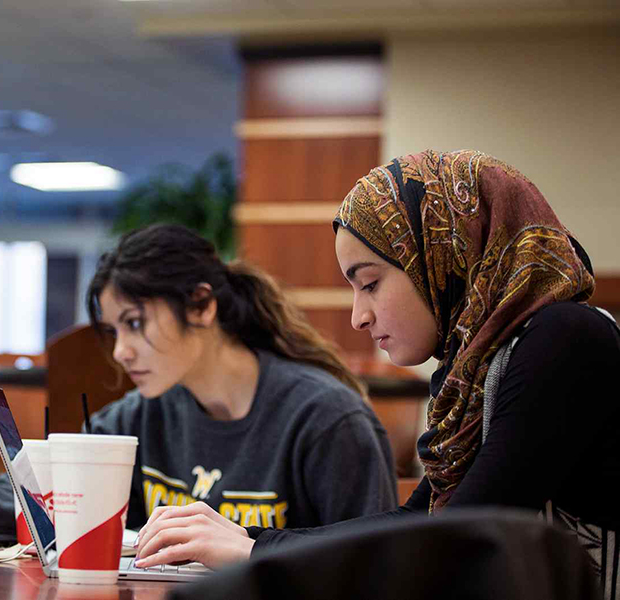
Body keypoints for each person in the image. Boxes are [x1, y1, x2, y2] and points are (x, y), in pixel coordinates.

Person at [132, 150, 620, 599]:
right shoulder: (480, 369)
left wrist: (255, 550)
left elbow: (462, 541)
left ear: (443, 256)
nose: (357, 317)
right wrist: (247, 537)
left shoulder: (565, 337)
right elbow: (419, 521)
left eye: (370, 284)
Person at [0, 224, 398, 549]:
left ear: (201, 305)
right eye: (113, 330)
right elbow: (38, 501)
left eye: (136, 323)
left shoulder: (326, 420)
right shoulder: (137, 417)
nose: (121, 351)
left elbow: (370, 560)